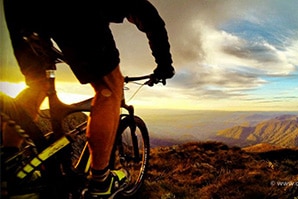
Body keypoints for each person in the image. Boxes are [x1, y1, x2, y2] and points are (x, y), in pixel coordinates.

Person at [3, 0, 175, 198]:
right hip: (73, 8)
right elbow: (152, 20)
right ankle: (101, 183)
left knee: (37, 84)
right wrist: (164, 67)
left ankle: (9, 163)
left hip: (17, 9)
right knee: (109, 86)